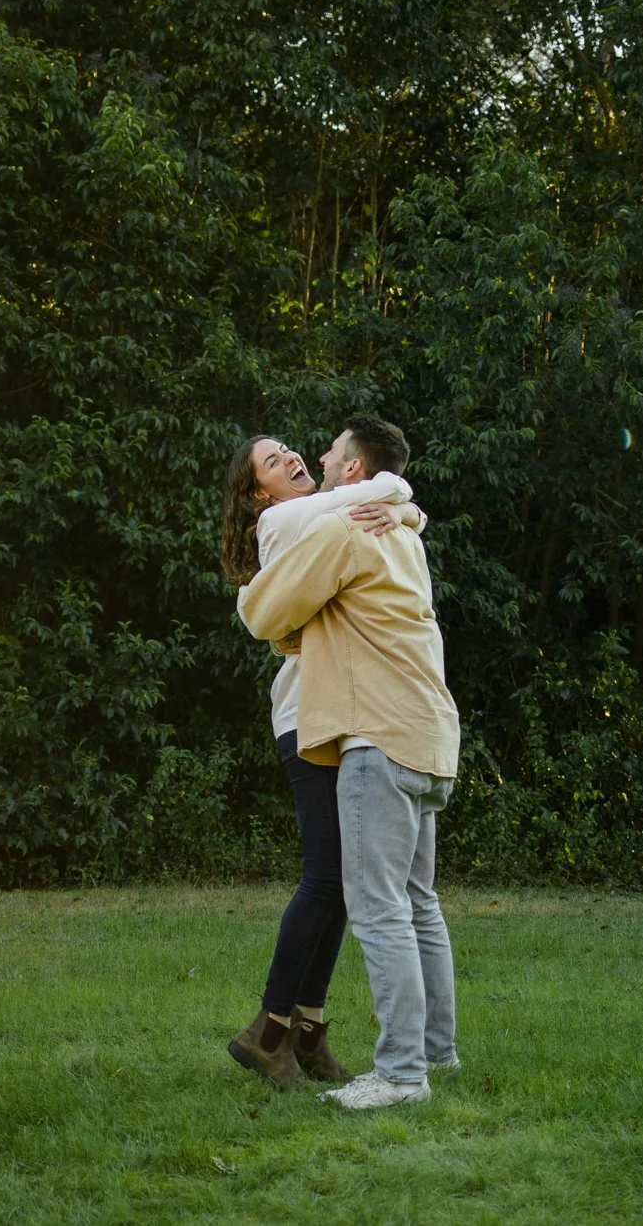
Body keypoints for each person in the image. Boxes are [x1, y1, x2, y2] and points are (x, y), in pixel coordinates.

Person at [237, 415, 462, 1111]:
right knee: (420, 904)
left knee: (379, 908)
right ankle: (437, 1054)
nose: (319, 458)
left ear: (354, 470)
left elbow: (262, 611)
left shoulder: (337, 530)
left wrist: (265, 606)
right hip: (431, 733)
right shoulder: (404, 530)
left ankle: (400, 1073)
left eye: (331, 452)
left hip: (376, 732)